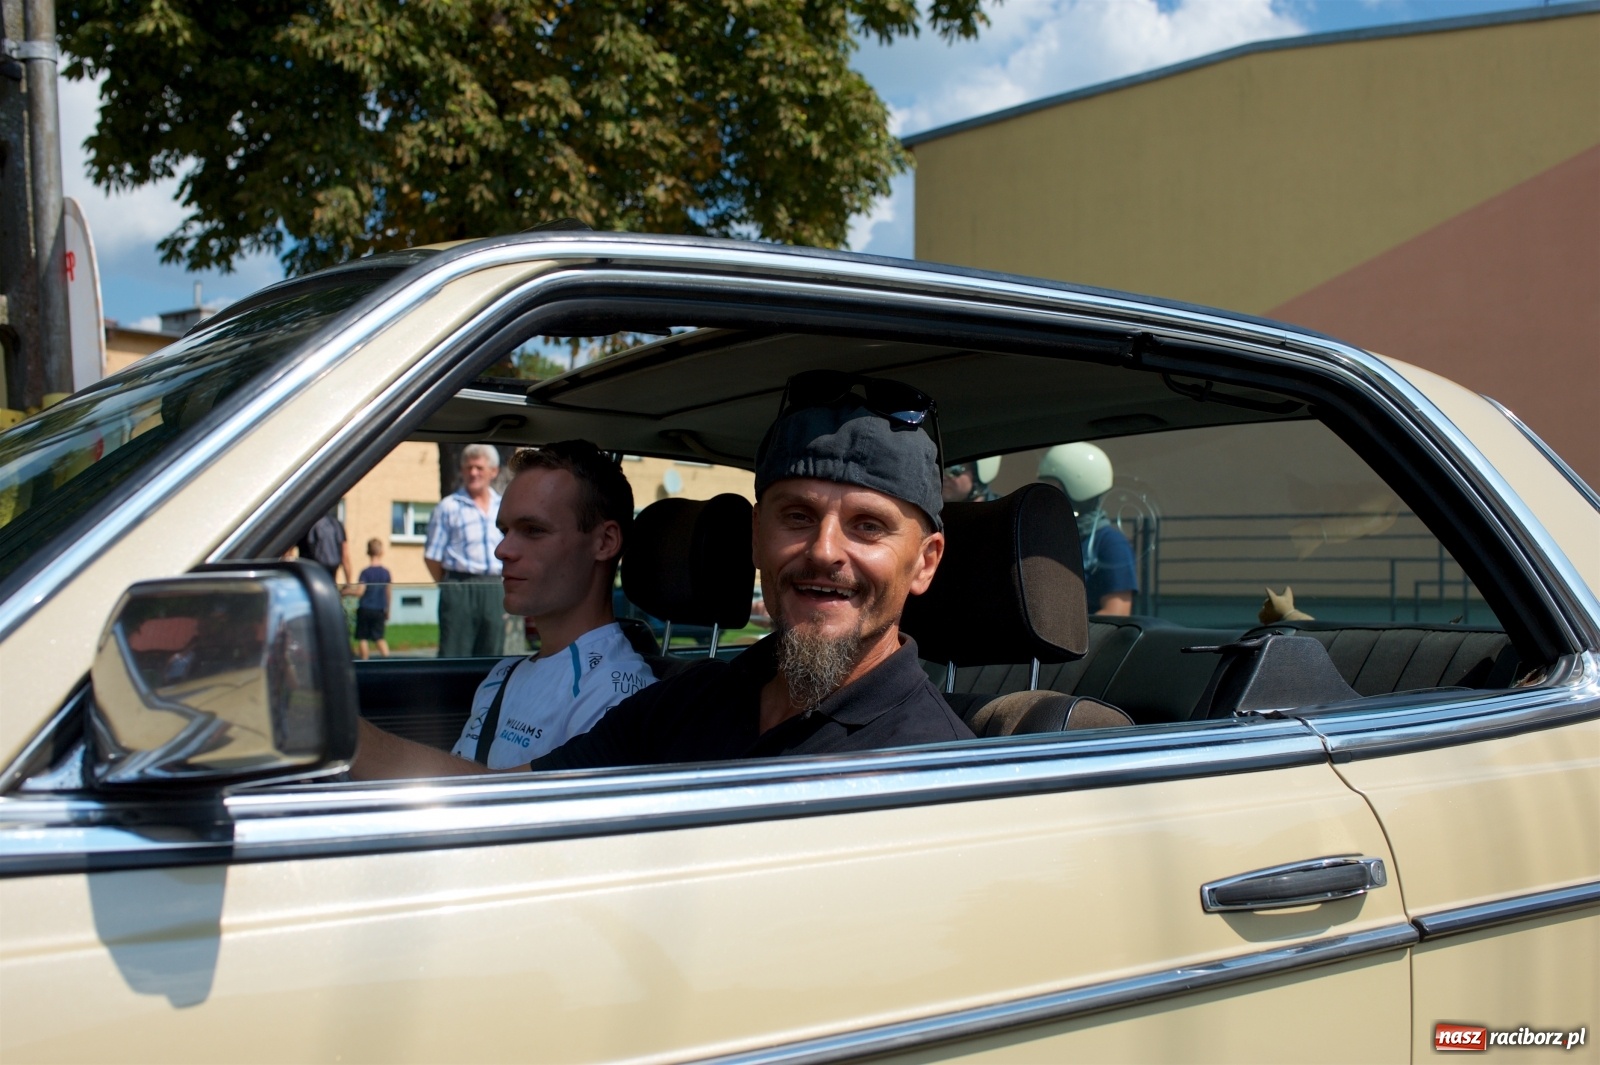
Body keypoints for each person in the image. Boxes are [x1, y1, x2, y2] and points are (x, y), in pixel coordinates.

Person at [352, 371, 972, 779]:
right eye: (797, 516)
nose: (824, 551)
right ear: (757, 538)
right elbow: (510, 798)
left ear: (925, 562)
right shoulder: (694, 699)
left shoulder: (937, 769)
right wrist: (337, 742)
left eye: (868, 526)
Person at [352, 441, 657, 775]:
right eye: (504, 530)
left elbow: (526, 811)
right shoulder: (505, 674)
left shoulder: (618, 694)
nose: (502, 550)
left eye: (533, 531)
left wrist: (351, 739)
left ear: (605, 542)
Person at [424, 443, 506, 657]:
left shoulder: (503, 506)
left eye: (479, 467)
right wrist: (450, 587)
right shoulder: (449, 507)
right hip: (459, 586)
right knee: (454, 653)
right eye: (468, 468)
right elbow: (432, 556)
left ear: (493, 471)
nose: (473, 473)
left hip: (494, 587)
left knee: (492, 652)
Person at [1038, 442, 1137, 616]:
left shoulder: (1110, 544)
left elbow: (1117, 613)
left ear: (1077, 488)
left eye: (1051, 487)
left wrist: (1062, 633)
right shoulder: (1049, 539)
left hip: (1085, 642)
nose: (1043, 497)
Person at [352, 538, 391, 660]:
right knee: (379, 637)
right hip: (379, 608)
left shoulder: (365, 573)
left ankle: (365, 662)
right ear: (381, 552)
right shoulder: (385, 573)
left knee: (363, 638)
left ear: (368, 552)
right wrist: (388, 609)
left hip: (365, 608)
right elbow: (388, 592)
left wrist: (346, 592)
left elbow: (360, 591)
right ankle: (388, 662)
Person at [296, 507, 353, 585]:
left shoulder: (305, 525)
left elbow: (287, 553)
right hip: (330, 580)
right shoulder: (336, 524)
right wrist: (348, 583)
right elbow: (345, 556)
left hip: (309, 579)